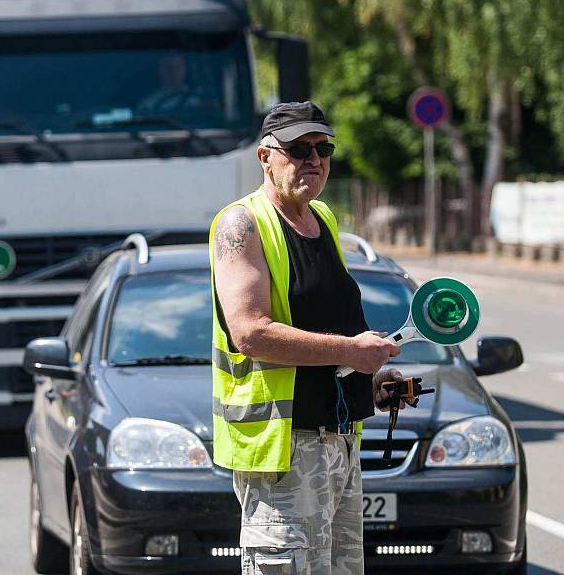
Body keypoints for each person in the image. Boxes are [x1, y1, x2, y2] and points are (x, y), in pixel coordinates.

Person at [210, 101, 405, 575]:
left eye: (323, 148)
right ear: (265, 157)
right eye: (298, 149)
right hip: (282, 453)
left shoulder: (324, 220)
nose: (313, 159)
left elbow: (331, 328)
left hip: (338, 444)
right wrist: (352, 351)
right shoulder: (241, 224)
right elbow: (250, 332)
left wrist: (371, 378)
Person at [137, 53, 203, 114]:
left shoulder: (201, 95)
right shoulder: (148, 104)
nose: (173, 71)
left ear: (185, 68)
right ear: (160, 70)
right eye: (167, 67)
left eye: (177, 66)